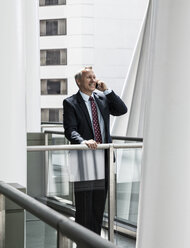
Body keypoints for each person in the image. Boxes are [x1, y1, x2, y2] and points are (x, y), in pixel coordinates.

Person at [63, 66, 127, 234]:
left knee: (98, 207)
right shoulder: (70, 103)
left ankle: (95, 241)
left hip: (104, 159)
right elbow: (70, 130)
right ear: (78, 81)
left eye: (94, 77)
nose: (93, 80)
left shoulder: (102, 99)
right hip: (84, 161)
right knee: (84, 208)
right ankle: (83, 242)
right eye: (88, 77)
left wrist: (107, 90)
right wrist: (83, 141)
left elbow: (122, 110)